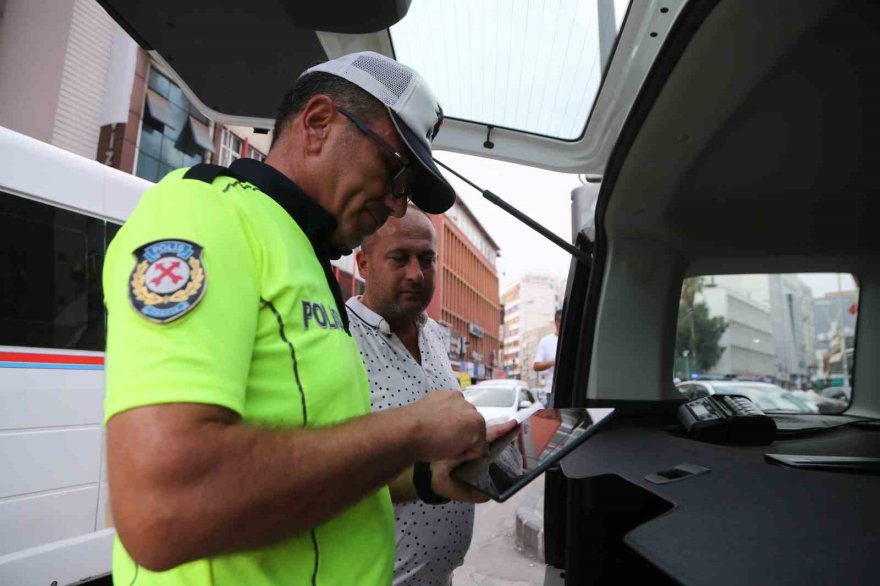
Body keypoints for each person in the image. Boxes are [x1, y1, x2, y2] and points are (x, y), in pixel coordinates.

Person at [102, 51, 513, 586]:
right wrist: (411, 429)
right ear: (318, 123)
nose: (395, 205)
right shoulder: (207, 215)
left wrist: (422, 478)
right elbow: (162, 508)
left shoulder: (306, 258)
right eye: (394, 171)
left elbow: (307, 464)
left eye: (406, 188)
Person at [346, 206, 488, 585]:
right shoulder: (337, 339)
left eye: (426, 259)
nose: (416, 273)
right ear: (363, 263)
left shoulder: (435, 334)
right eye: (399, 258)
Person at [533, 308, 562, 406]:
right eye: (561, 320)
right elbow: (536, 366)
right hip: (551, 390)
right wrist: (554, 362)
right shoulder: (546, 341)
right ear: (556, 322)